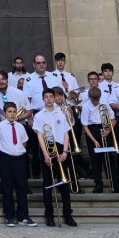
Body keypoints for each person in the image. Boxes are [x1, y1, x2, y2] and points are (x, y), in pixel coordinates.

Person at [33, 89, 77, 227]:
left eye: (51, 96)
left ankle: (68, 215)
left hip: (61, 150)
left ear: (54, 98)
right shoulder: (39, 116)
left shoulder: (61, 114)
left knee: (64, 184)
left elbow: (66, 134)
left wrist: (65, 152)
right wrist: (45, 154)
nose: (49, 99)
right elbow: (40, 135)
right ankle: (49, 215)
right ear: (43, 99)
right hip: (47, 149)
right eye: (46, 97)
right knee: (48, 184)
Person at [0, 103, 35, 227]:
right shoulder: (0, 126)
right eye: (9, 111)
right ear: (5, 113)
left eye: (14, 111)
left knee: (22, 187)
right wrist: (6, 152)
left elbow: (24, 143)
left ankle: (23, 216)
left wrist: (17, 151)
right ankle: (9, 216)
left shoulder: (20, 127)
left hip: (19, 160)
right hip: (6, 159)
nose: (12, 114)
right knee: (7, 188)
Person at [80, 85, 119, 194]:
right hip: (92, 131)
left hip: (106, 129)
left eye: (97, 99)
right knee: (95, 160)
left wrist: (109, 130)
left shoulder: (105, 103)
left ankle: (116, 185)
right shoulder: (86, 106)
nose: (95, 102)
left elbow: (114, 119)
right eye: (93, 99)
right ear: (90, 97)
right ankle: (98, 184)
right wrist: (94, 140)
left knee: (110, 159)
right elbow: (85, 126)